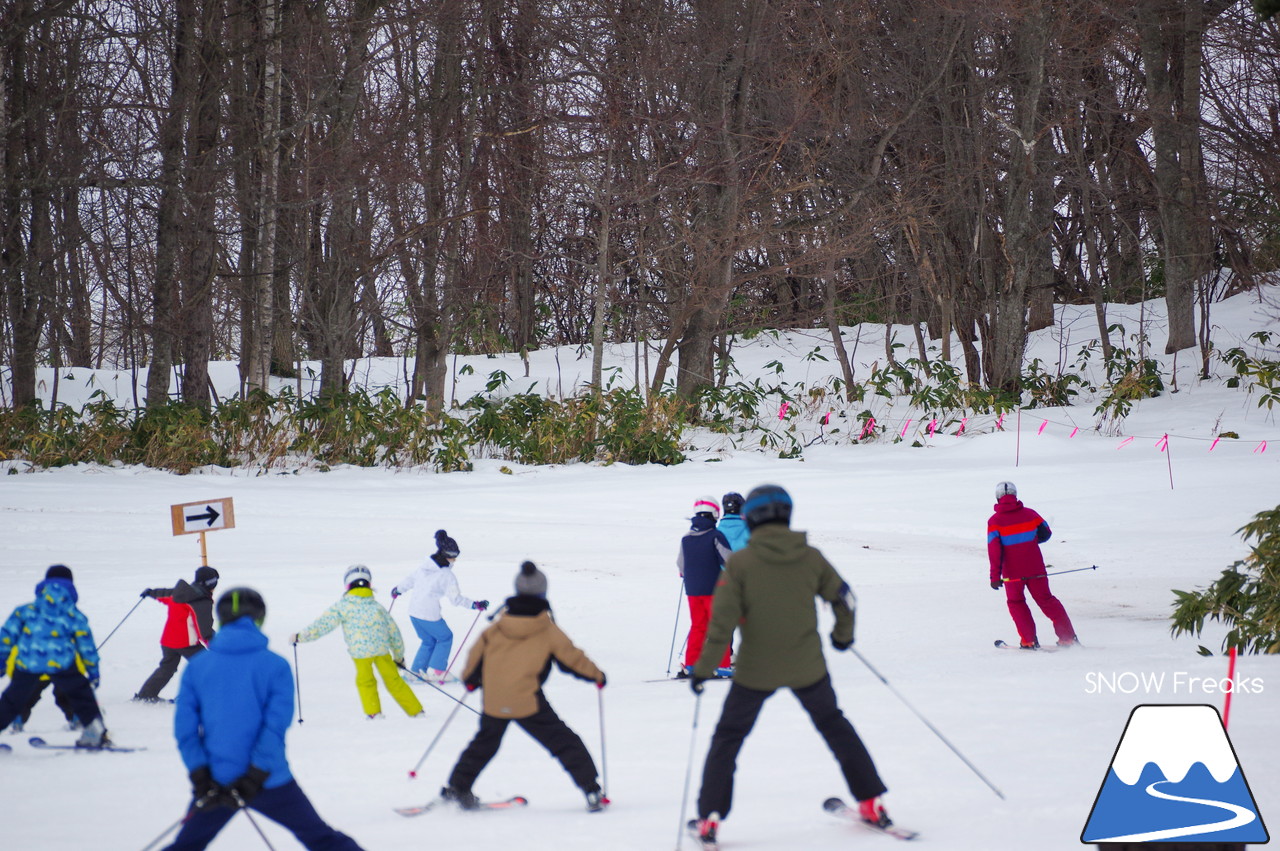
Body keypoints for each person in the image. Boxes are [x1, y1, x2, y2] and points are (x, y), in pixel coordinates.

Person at [688, 485, 892, 847]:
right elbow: (845, 598)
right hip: (807, 666)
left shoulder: (740, 563)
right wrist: (842, 637)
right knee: (835, 726)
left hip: (754, 670)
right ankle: (871, 803)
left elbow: (721, 623)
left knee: (728, 738)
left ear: (752, 517)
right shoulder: (810, 556)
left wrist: (703, 669)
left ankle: (710, 818)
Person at [163, 586, 364, 851]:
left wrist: (200, 774)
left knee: (187, 846)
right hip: (269, 779)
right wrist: (255, 774)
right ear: (259, 619)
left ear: (221, 619)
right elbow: (275, 727)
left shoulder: (198, 666)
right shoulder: (275, 665)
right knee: (322, 839)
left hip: (216, 782)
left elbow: (185, 731)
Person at [441, 561, 608, 813]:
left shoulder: (498, 625)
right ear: (542, 592)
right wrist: (597, 675)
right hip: (527, 700)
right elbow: (571, 658)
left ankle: (457, 786)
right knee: (564, 742)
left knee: (485, 742)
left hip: (495, 698)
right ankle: (592, 791)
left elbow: (477, 655)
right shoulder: (546, 628)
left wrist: (471, 679)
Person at [291, 565, 424, 720]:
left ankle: (374, 712)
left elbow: (323, 625)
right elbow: (394, 633)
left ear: (347, 585)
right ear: (369, 585)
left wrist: (301, 636)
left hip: (360, 653)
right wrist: (399, 657)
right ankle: (416, 711)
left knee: (365, 681)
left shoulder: (342, 606)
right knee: (394, 680)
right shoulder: (377, 607)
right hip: (381, 651)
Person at [0, 565, 109, 747]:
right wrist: (93, 672)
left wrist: (1, 660)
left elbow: (6, 636)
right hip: (62, 663)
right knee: (81, 694)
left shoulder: (25, 610)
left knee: (13, 699)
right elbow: (86, 646)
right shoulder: (74, 615)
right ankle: (94, 731)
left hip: (28, 663)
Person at [987, 481, 1078, 649]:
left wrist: (994, 577)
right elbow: (1046, 533)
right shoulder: (1030, 514)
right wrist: (1030, 543)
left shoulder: (995, 521)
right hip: (1036, 569)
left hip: (1012, 574)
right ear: (1015, 495)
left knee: (1016, 603)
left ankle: (1028, 641)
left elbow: (994, 552)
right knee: (1047, 601)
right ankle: (1068, 638)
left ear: (998, 498)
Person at [392, 529, 488, 683]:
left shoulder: (423, 567)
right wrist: (475, 605)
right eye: (453, 557)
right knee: (445, 637)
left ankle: (415, 672)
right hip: (429, 615)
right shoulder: (446, 575)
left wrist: (398, 590)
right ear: (446, 555)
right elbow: (455, 599)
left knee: (428, 641)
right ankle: (438, 671)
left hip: (414, 613)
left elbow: (409, 580)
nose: (454, 561)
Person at [134, 565, 220, 703]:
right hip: (186, 643)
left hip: (168, 641)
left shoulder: (180, 593)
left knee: (167, 668)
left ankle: (146, 695)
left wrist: (151, 593)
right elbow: (205, 630)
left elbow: (164, 594)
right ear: (211, 583)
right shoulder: (201, 602)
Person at [677, 496, 733, 679]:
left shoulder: (686, 538)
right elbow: (729, 559)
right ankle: (722, 665)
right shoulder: (715, 536)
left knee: (698, 626)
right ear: (715, 514)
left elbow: (681, 564)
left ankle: (692, 664)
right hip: (713, 590)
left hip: (692, 591)